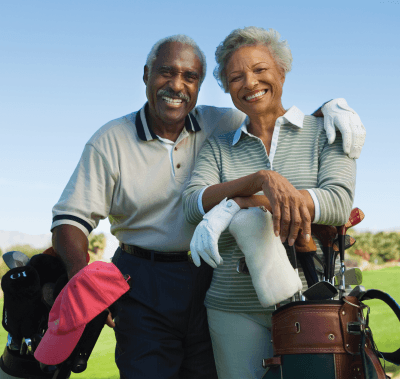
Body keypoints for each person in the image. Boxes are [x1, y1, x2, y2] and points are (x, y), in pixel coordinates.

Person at [50, 33, 364, 379]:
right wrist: (84, 286)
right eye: (166, 72)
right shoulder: (112, 139)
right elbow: (71, 220)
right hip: (143, 278)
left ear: (199, 85)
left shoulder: (221, 122)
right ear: (146, 75)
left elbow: (272, 111)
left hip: (206, 273)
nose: (177, 85)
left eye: (190, 76)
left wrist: (332, 105)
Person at [183, 26, 358, 379]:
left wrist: (235, 204)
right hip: (232, 307)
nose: (249, 82)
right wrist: (262, 180)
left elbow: (337, 201)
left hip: (313, 303)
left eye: (260, 70)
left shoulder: (326, 131)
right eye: (236, 76)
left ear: (281, 70)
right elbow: (192, 204)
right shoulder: (218, 147)